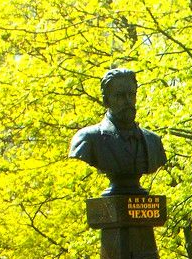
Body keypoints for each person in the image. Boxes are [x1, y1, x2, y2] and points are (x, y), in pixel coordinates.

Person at [69, 68, 167, 196]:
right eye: (120, 96)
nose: (127, 101)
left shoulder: (153, 141)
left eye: (131, 95)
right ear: (106, 101)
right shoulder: (87, 139)